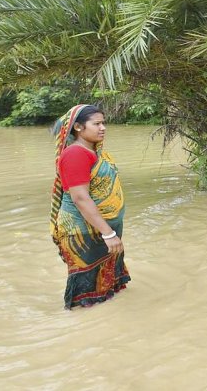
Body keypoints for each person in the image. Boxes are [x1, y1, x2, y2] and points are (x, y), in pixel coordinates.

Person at [50, 104, 131, 309]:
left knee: (107, 294)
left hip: (103, 230)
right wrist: (108, 234)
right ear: (78, 127)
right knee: (87, 301)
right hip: (86, 234)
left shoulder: (94, 151)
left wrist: (110, 231)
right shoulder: (75, 154)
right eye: (96, 124)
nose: (102, 127)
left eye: (103, 123)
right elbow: (80, 198)